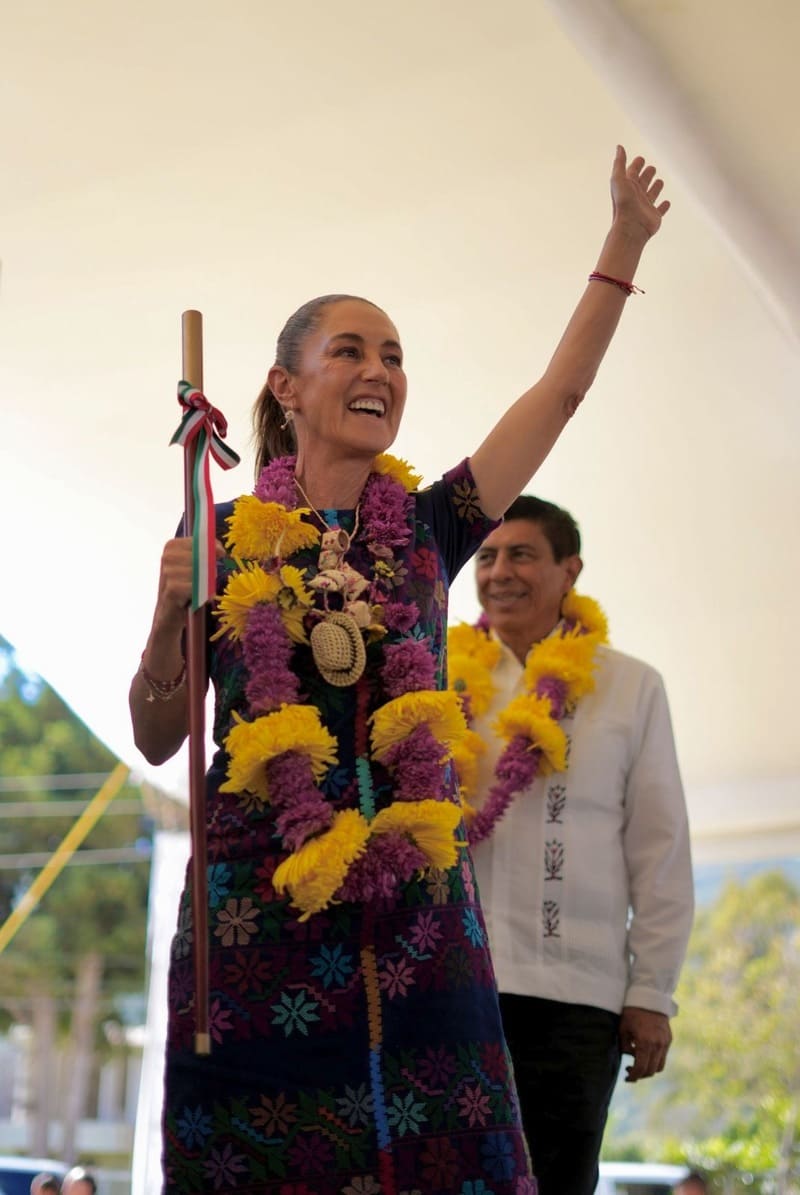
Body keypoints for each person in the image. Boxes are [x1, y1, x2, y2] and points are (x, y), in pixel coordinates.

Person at [130, 146, 671, 1194]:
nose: (379, 369)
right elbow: (157, 736)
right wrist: (164, 620)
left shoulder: (429, 526)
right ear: (286, 386)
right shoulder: (221, 531)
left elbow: (559, 394)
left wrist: (622, 244)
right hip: (258, 905)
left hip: (418, 912)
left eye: (394, 354)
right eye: (350, 350)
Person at [448, 494, 694, 1195]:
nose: (499, 572)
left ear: (569, 570)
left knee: (555, 1180)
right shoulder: (436, 678)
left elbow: (660, 849)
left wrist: (652, 992)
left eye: (521, 554)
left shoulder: (630, 686)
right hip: (453, 986)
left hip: (576, 995)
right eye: (487, 556)